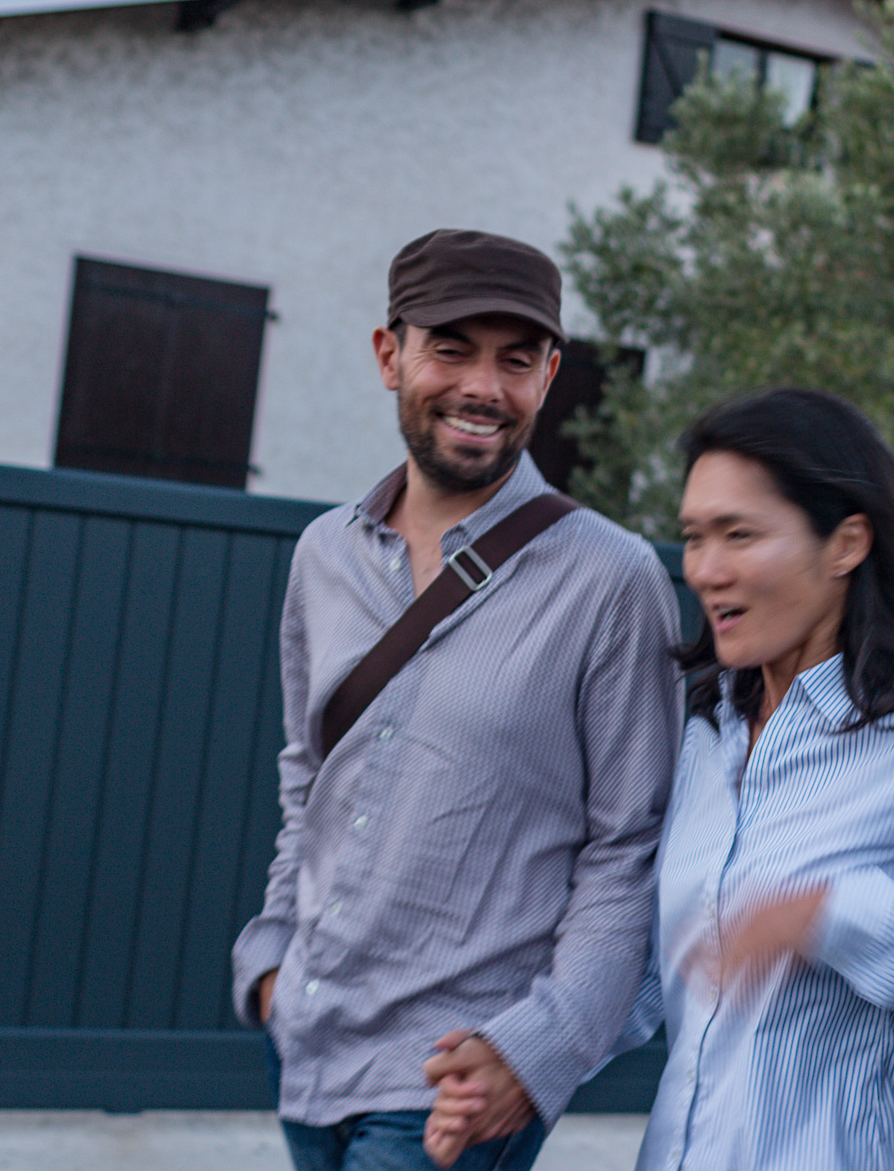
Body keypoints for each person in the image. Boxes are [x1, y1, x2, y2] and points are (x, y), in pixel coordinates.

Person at [434, 387, 894, 1170]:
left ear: (846, 544)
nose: (706, 570)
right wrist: (518, 1061)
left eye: (739, 534)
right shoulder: (707, 740)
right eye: (694, 537)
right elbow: (656, 974)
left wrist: (835, 916)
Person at [231, 228, 681, 1171]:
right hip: (309, 1047)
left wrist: (540, 1052)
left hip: (455, 1080)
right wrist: (271, 962)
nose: (483, 386)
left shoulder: (611, 579)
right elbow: (308, 783)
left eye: (515, 361)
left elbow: (628, 850)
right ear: (388, 355)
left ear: (548, 377)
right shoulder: (325, 556)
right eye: (451, 350)